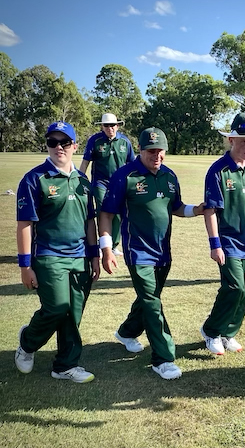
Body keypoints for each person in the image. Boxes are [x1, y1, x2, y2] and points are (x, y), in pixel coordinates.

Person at [99, 127, 203, 380]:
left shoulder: (169, 176)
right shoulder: (125, 176)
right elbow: (106, 214)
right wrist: (106, 248)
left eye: (160, 151)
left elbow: (176, 207)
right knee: (153, 304)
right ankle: (163, 358)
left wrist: (197, 210)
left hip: (163, 254)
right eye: (151, 151)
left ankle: (126, 331)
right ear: (141, 151)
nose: (156, 156)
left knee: (149, 299)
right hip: (138, 253)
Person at [15, 121, 100, 383]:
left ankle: (65, 366)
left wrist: (95, 255)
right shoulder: (34, 179)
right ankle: (28, 342)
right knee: (56, 308)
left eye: (64, 142)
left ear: (75, 146)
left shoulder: (83, 181)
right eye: (53, 142)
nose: (58, 147)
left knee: (73, 313)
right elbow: (25, 224)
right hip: (49, 256)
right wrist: (25, 266)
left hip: (80, 257)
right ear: (47, 145)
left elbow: (89, 222)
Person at [201, 112, 245, 355]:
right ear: (231, 139)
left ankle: (229, 332)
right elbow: (210, 210)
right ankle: (211, 330)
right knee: (234, 287)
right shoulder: (217, 171)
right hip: (227, 241)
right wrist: (214, 244)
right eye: (243, 141)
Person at [80, 113, 134, 255]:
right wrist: (79, 178)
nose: (110, 128)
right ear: (102, 127)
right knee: (103, 211)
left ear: (117, 126)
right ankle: (102, 242)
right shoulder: (95, 140)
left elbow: (132, 164)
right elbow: (86, 161)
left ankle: (114, 245)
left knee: (117, 214)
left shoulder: (125, 142)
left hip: (120, 183)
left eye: (113, 125)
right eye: (106, 125)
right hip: (100, 182)